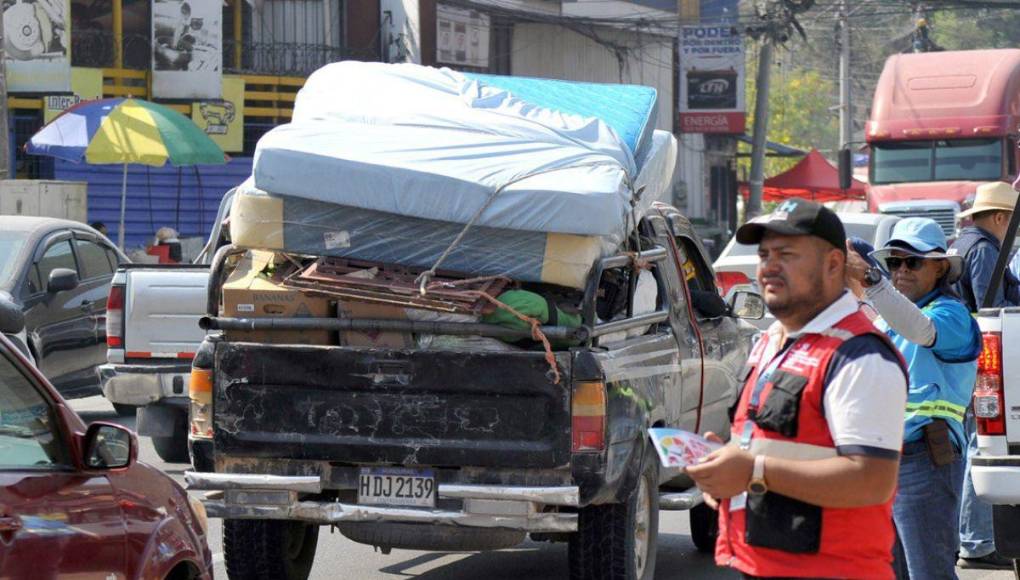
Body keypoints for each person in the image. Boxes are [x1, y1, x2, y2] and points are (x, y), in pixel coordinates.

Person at [687, 198, 907, 579]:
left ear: (833, 264)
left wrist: (752, 471)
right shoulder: (776, 343)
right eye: (764, 254)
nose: (770, 266)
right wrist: (727, 472)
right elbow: (780, 447)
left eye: (786, 254)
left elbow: (872, 480)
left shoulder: (860, 355)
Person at [847, 217, 981, 579]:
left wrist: (874, 281)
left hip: (925, 459)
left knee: (928, 573)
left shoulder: (952, 316)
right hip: (884, 459)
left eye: (913, 261)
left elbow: (920, 329)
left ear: (939, 267)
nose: (901, 270)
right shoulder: (889, 316)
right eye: (893, 263)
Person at [948, 180, 1020, 570]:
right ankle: (976, 542)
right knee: (983, 448)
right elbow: (992, 308)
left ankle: (971, 538)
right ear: (998, 217)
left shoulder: (964, 244)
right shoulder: (985, 250)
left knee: (974, 447)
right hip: (983, 359)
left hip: (966, 359)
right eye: (1012, 220)